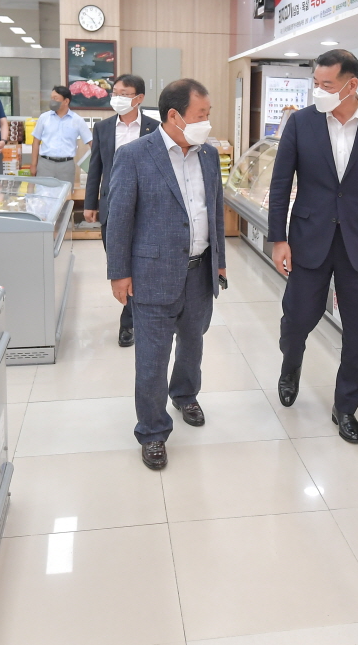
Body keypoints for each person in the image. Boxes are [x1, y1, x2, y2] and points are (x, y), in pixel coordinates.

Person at [267, 49, 358, 444]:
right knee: (296, 320)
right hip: (308, 238)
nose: (319, 90)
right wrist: (278, 239)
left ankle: (345, 407)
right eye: (316, 83)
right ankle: (291, 365)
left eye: (327, 84)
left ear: (351, 84)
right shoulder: (301, 123)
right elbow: (281, 184)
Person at [105, 78, 226, 470]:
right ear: (174, 116)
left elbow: (214, 210)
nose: (206, 122)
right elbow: (119, 219)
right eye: (200, 115)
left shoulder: (208, 155)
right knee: (152, 357)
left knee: (193, 344)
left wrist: (219, 260)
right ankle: (153, 430)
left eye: (208, 114)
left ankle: (185, 395)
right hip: (152, 271)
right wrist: (118, 273)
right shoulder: (135, 155)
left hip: (199, 272)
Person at [84, 74, 159, 347]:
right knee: (120, 263)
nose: (117, 97)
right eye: (115, 92)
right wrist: (90, 203)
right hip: (112, 206)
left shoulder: (155, 128)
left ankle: (129, 321)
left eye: (124, 93)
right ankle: (132, 311)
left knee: (142, 265)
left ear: (139, 98)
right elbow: (95, 167)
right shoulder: (103, 128)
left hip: (147, 208)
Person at [31, 85, 92, 185]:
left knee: (65, 194)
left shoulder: (77, 120)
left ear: (66, 101)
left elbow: (91, 142)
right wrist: (33, 165)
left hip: (66, 166)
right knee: (43, 193)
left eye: (55, 98)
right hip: (45, 164)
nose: (52, 101)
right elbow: (36, 142)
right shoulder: (44, 118)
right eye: (51, 98)